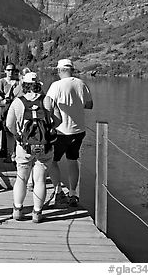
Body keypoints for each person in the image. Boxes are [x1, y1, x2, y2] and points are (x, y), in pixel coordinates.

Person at [6, 72, 55, 223]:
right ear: (38, 84)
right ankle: (37, 213)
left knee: (21, 177)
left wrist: (18, 136)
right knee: (40, 179)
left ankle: (18, 209)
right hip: (44, 145)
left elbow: (9, 124)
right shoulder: (47, 100)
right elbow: (58, 121)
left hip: (24, 145)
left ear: (24, 85)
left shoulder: (17, 102)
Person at [45, 58, 93, 207]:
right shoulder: (81, 83)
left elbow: (47, 103)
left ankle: (58, 191)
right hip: (79, 130)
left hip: (61, 131)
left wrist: (51, 116)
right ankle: (73, 194)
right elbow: (89, 105)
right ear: (72, 69)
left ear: (59, 70)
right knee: (73, 160)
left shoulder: (56, 85)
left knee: (52, 161)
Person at [0, 63, 23, 158]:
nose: (10, 72)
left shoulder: (19, 82)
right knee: (3, 128)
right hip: (5, 107)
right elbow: (1, 96)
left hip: (15, 107)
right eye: (8, 70)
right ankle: (5, 150)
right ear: (5, 71)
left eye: (12, 70)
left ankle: (14, 151)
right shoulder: (1, 81)